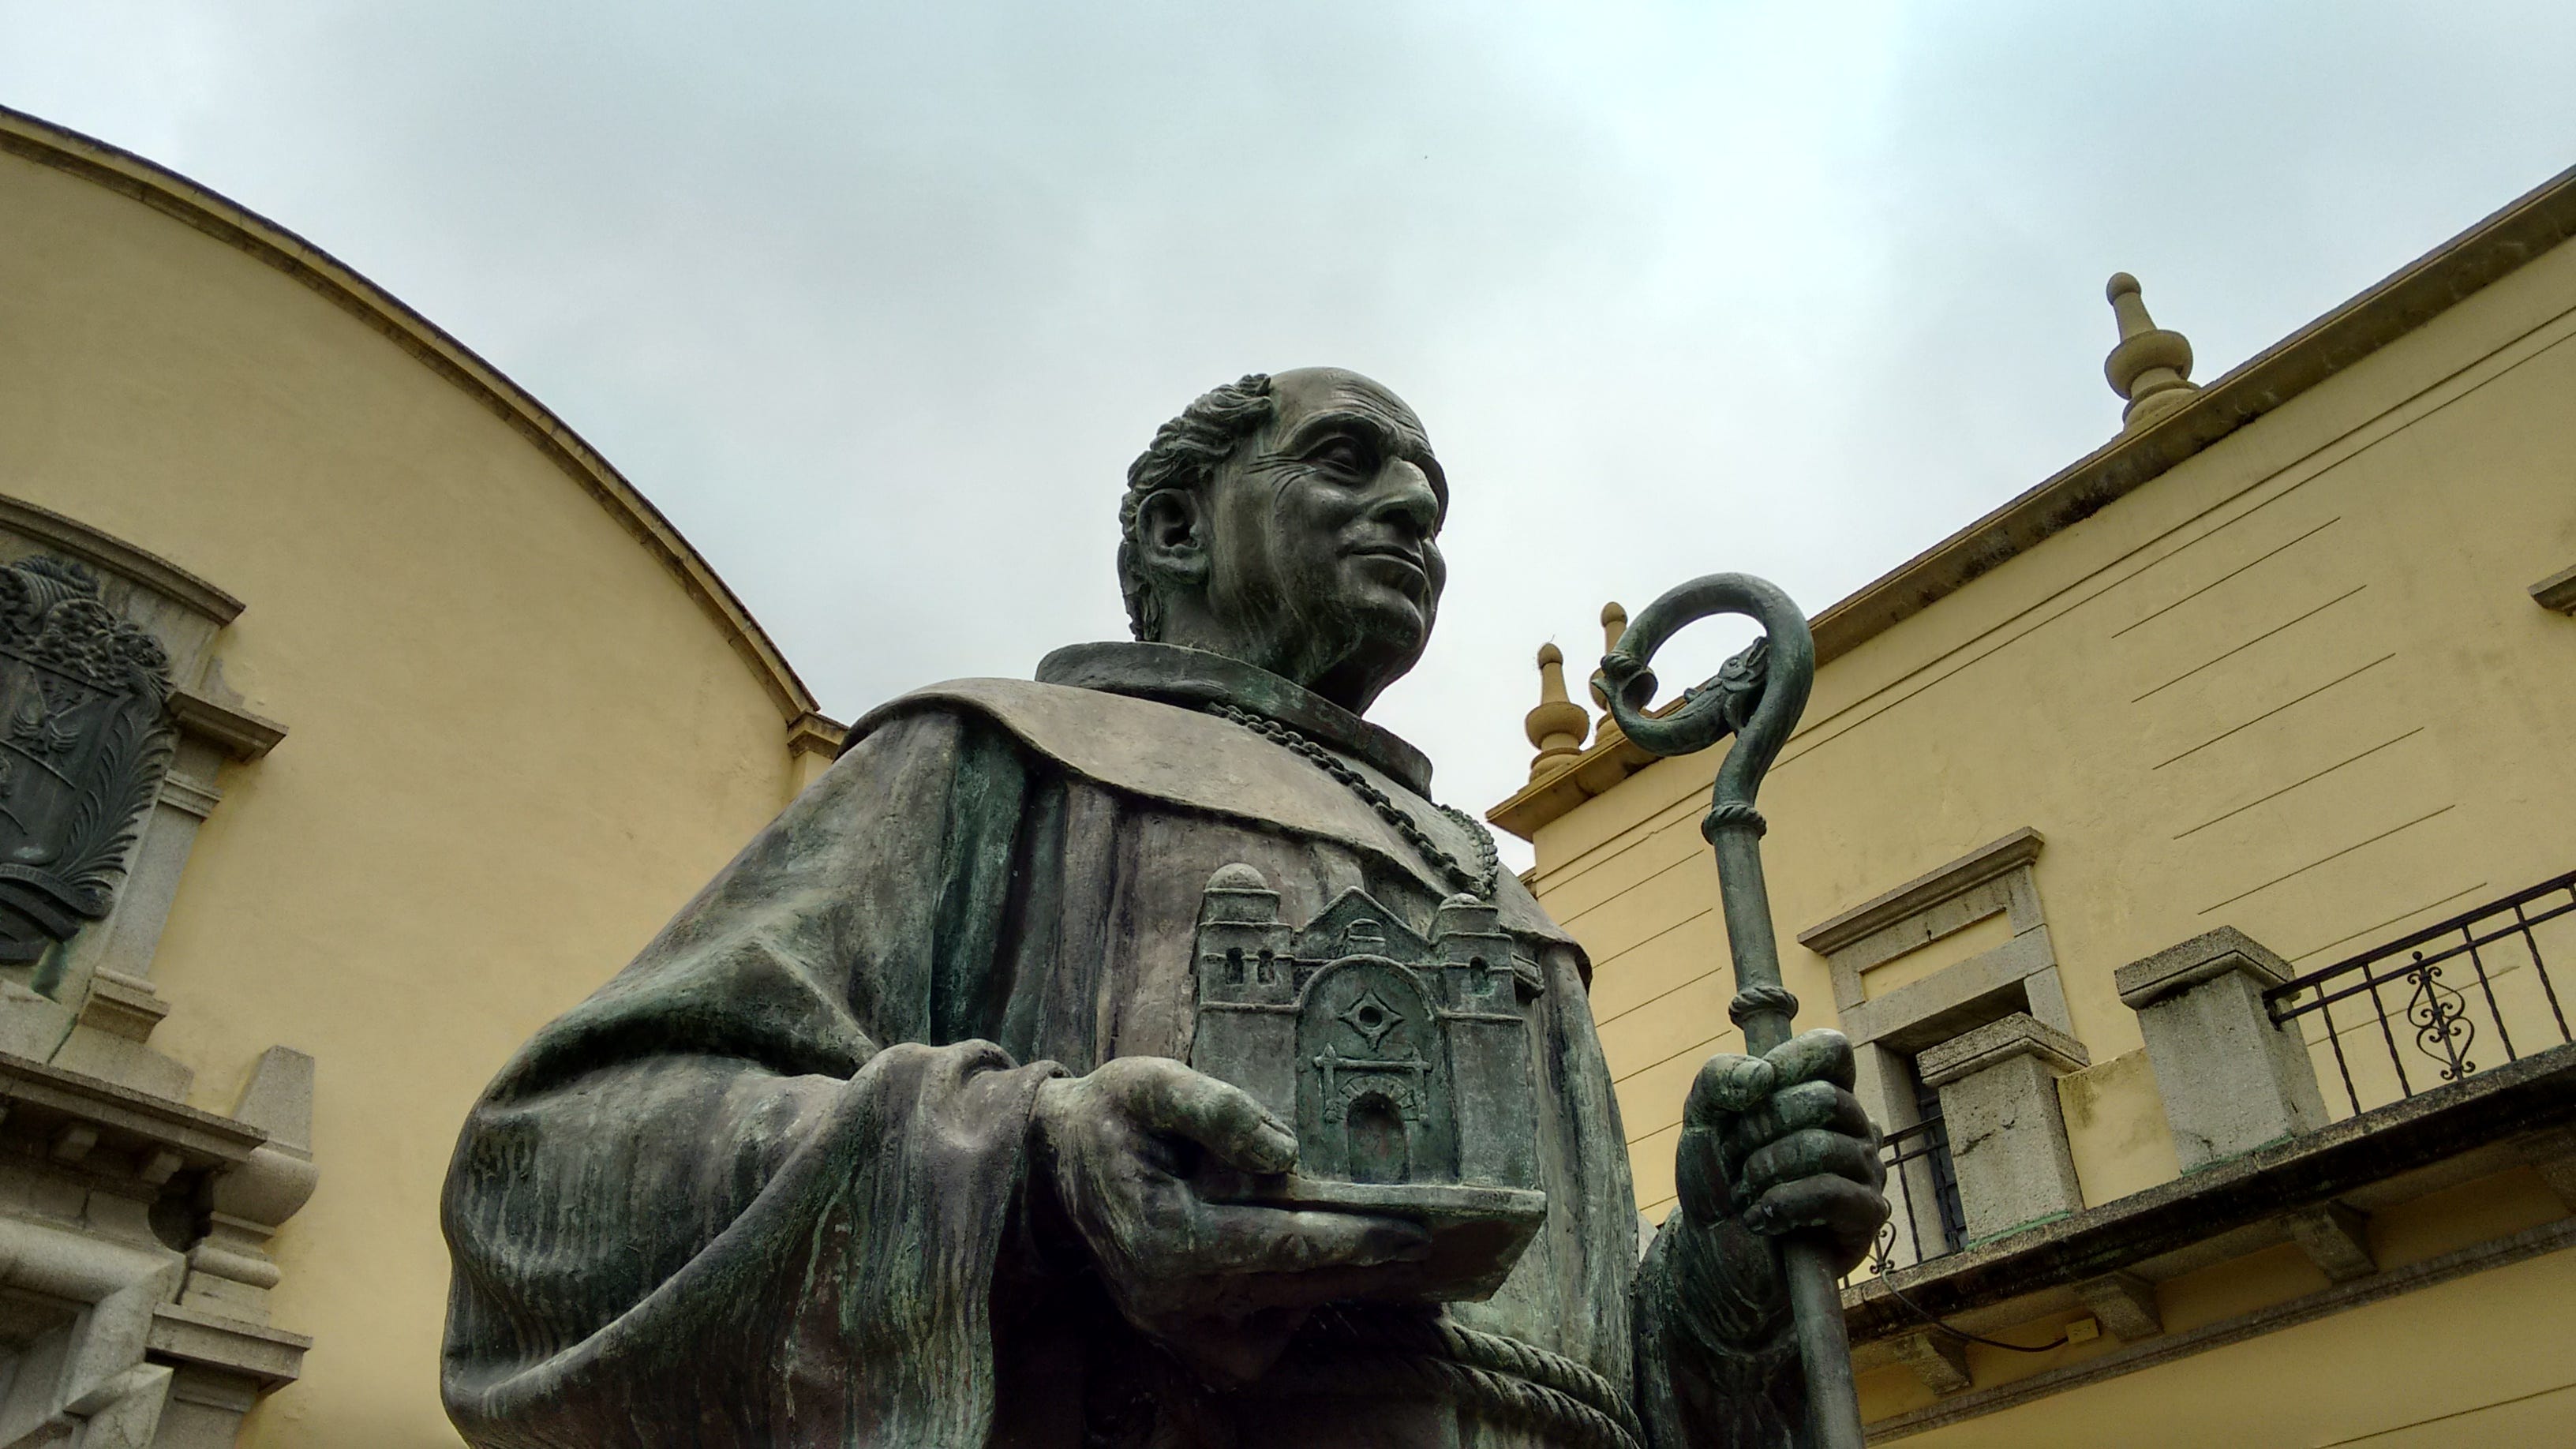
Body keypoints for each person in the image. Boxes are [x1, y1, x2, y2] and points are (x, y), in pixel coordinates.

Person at [440, 368, 1888, 1448]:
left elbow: (1590, 1393)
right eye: (1347, 460)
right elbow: (547, 1177)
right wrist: (1033, 1172)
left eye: (1434, 503)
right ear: (1177, 525)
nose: (1411, 512)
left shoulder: (1494, 892)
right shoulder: (993, 761)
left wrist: (1730, 1272)